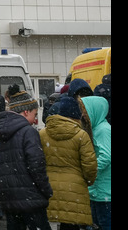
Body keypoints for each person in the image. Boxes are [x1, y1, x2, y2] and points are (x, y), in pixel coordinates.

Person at [0, 91, 54, 230]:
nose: (35, 119)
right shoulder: (28, 132)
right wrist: (46, 190)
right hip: (31, 199)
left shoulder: (0, 133)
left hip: (9, 198)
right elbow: (36, 165)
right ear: (26, 112)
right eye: (34, 114)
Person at [38, 96, 97, 230]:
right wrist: (87, 181)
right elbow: (90, 165)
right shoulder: (81, 135)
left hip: (49, 187)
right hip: (74, 189)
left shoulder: (43, 134)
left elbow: (37, 161)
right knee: (71, 224)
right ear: (75, 115)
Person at [81, 95, 111, 230]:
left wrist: (89, 169)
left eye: (85, 111)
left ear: (95, 110)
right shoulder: (96, 129)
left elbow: (106, 156)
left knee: (103, 224)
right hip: (98, 190)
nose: (83, 115)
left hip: (104, 191)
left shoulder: (103, 130)